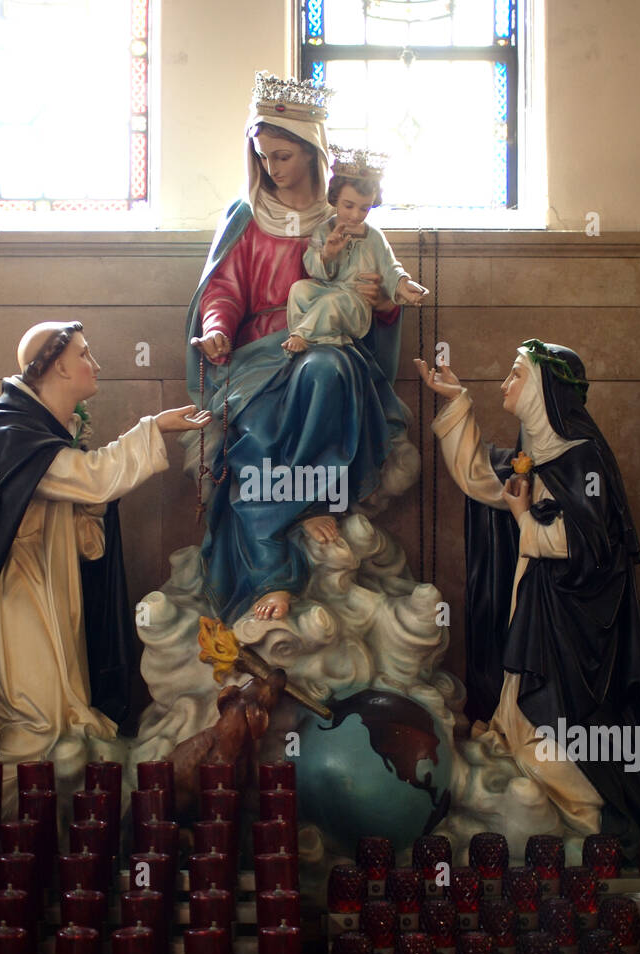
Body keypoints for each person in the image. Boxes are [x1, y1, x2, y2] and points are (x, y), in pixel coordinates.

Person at [0, 320, 210, 817]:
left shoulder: (39, 435)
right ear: (58, 365)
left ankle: (61, 826)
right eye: (85, 354)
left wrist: (88, 518)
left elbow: (86, 521)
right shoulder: (11, 436)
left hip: (54, 592)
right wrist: (155, 428)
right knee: (33, 720)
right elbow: (92, 479)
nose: (95, 364)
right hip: (19, 600)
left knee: (65, 715)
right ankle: (15, 835)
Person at [416, 341, 640, 858]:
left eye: (517, 374)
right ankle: (541, 818)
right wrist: (456, 401)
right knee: (518, 719)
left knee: (551, 727)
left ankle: (583, 820)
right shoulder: (533, 460)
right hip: (535, 621)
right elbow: (479, 477)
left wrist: (522, 519)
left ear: (545, 389)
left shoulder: (584, 459)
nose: (506, 384)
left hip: (575, 635)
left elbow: (590, 545)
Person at [187, 72, 412, 622]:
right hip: (256, 352)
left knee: (326, 371)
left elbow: (377, 302)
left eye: (283, 155)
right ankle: (272, 573)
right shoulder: (245, 217)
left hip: (324, 340)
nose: (272, 168)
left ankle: (310, 499)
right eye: (263, 157)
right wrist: (217, 328)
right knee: (257, 433)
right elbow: (224, 289)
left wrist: (382, 300)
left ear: (313, 152)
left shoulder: (348, 224)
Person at [283, 148, 426, 354]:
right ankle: (320, 335)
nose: (355, 215)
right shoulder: (324, 230)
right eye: (348, 205)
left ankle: (302, 336)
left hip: (355, 302)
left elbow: (390, 268)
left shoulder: (374, 237)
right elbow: (312, 266)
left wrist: (404, 285)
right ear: (335, 198)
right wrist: (327, 255)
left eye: (364, 208)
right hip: (328, 290)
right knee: (300, 289)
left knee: (333, 301)